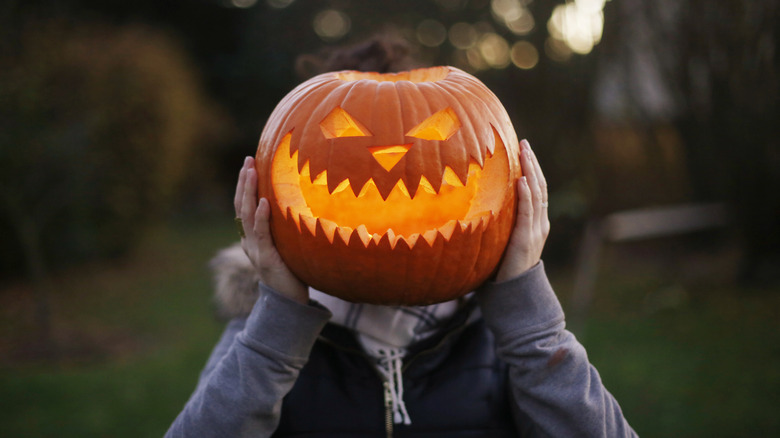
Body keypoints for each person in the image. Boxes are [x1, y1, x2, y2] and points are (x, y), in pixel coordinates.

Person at [166, 39, 638, 437]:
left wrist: (529, 319)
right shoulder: (263, 334)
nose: (391, 155)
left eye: (433, 129)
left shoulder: (504, 340)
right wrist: (279, 317)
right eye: (344, 132)